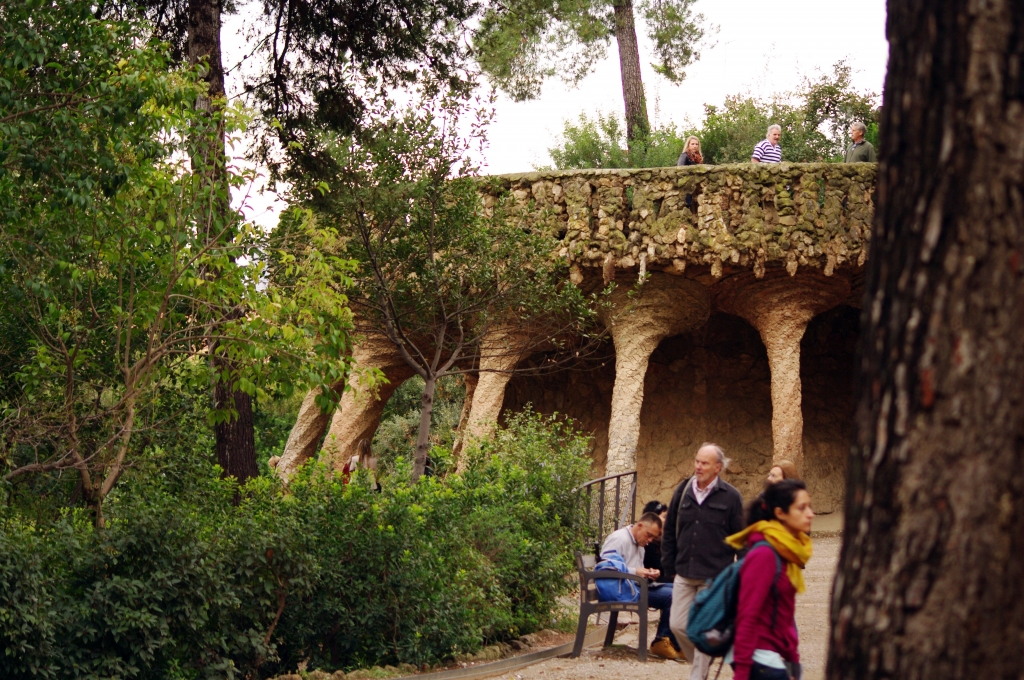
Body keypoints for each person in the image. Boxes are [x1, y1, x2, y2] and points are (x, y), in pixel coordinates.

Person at [663, 443, 745, 680]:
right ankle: (703, 659)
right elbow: (669, 531)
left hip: (714, 577)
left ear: (718, 468)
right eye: (697, 461)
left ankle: (698, 675)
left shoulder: (731, 497)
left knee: (704, 628)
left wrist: (742, 574)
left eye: (705, 463)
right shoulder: (683, 490)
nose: (698, 467)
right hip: (684, 573)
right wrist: (670, 566)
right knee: (677, 625)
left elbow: (741, 540)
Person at [725, 479, 814, 680]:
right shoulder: (764, 554)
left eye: (809, 506)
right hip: (759, 660)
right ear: (780, 513)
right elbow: (747, 614)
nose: (810, 514)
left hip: (772, 657)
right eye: (801, 508)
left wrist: (793, 661)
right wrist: (742, 673)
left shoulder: (787, 552)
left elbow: (784, 613)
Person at [600, 512, 679, 660]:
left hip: (635, 586)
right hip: (622, 589)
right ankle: (661, 641)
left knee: (678, 590)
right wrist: (636, 571)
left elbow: (636, 570)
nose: (649, 541)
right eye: (649, 535)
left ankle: (674, 642)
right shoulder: (619, 539)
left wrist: (648, 573)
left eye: (652, 538)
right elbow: (605, 568)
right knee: (672, 596)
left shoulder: (641, 544)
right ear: (640, 525)